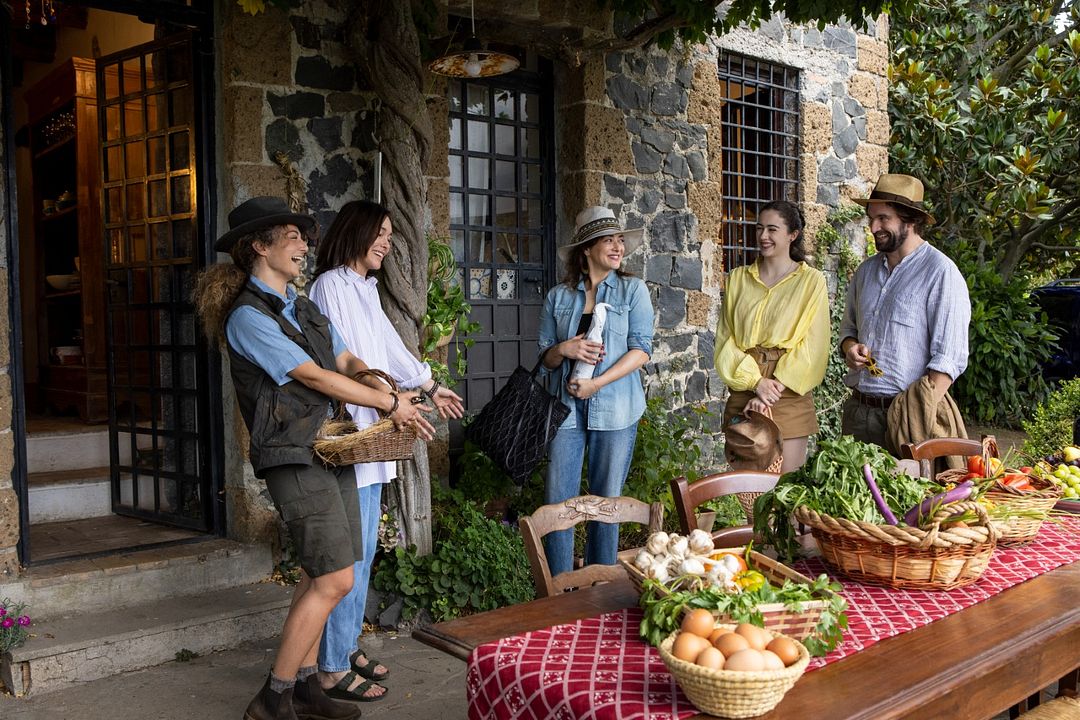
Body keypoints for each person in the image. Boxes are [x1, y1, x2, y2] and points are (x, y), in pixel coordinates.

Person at [192, 196, 435, 720]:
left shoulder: (301, 306)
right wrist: (389, 404)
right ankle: (272, 697)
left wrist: (386, 387)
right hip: (292, 457)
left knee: (320, 571)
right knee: (336, 579)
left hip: (328, 449)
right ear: (260, 247)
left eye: (304, 237)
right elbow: (314, 376)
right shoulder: (248, 317)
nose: (305, 246)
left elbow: (343, 359)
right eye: (293, 237)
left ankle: (305, 687)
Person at [308, 200, 465, 702]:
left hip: (376, 431)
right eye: (380, 232)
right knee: (350, 558)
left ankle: (345, 645)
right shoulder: (331, 285)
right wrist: (393, 399)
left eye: (390, 235)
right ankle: (331, 665)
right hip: (356, 433)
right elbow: (347, 358)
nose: (386, 243)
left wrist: (428, 384)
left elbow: (390, 346)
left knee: (364, 553)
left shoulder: (366, 288)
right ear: (355, 231)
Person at [537, 206, 654, 576]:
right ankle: (559, 586)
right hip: (565, 411)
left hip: (617, 408)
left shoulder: (633, 291)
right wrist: (564, 349)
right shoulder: (558, 297)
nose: (618, 247)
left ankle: (600, 585)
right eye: (608, 240)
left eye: (620, 239)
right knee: (558, 502)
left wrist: (596, 384)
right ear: (586, 249)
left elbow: (641, 350)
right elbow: (545, 360)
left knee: (607, 503)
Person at [839, 173, 971, 449]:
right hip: (857, 413)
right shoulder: (865, 272)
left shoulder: (941, 273)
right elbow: (848, 330)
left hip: (906, 420)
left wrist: (914, 416)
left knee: (906, 481)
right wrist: (850, 348)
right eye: (871, 218)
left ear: (910, 220)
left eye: (883, 218)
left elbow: (949, 359)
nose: (873, 227)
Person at [713, 200, 829, 473]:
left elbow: (814, 346)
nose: (763, 236)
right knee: (747, 487)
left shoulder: (811, 282)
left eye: (772, 229)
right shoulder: (737, 279)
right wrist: (756, 383)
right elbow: (726, 340)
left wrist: (770, 390)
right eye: (759, 228)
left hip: (788, 390)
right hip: (744, 387)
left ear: (792, 235)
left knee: (787, 486)